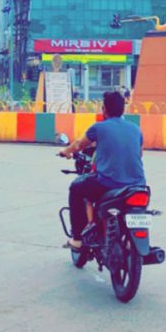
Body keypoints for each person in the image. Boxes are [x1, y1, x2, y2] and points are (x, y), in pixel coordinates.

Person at [60, 89, 146, 250]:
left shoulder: (99, 128)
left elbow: (79, 144)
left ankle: (77, 238)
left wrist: (66, 151)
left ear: (104, 109)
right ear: (123, 109)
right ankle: (129, 241)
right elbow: (139, 154)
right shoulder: (136, 129)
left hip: (108, 183)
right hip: (138, 184)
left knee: (76, 188)